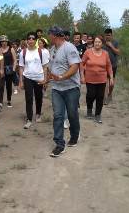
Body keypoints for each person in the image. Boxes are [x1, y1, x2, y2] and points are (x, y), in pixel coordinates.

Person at [47, 26, 82, 157]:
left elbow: (75, 66)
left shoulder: (69, 48)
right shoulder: (52, 50)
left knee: (72, 114)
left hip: (71, 88)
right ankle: (59, 144)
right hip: (56, 88)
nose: (49, 37)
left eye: (50, 34)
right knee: (58, 115)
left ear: (55, 35)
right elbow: (51, 68)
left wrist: (62, 77)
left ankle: (74, 135)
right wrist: (46, 80)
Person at [19, 32, 49, 129]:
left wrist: (45, 79)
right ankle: (29, 119)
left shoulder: (42, 52)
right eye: (29, 38)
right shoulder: (23, 52)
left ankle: (38, 114)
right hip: (27, 77)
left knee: (38, 97)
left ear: (36, 40)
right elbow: (21, 67)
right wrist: (20, 80)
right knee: (28, 98)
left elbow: (45, 66)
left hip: (39, 77)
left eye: (33, 38)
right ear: (27, 40)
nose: (31, 40)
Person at [80, 36, 114, 123]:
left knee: (100, 97)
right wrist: (82, 76)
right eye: (96, 42)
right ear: (93, 43)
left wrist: (111, 78)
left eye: (99, 42)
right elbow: (81, 64)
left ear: (102, 44)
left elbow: (109, 66)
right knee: (91, 95)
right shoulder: (88, 52)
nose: (97, 43)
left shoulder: (105, 53)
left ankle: (98, 115)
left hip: (102, 79)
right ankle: (89, 110)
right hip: (90, 79)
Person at [0, 35, 17, 109]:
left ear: (7, 42)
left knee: (9, 86)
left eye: (5, 41)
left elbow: (15, 60)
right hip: (1, 70)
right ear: (0, 42)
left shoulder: (11, 49)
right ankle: (0, 102)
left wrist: (14, 68)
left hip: (10, 70)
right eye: (2, 41)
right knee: (1, 86)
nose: (4, 43)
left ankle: (9, 100)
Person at [102, 28, 120, 104]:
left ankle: (110, 94)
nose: (107, 37)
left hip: (113, 65)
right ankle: (105, 98)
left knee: (111, 83)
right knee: (105, 81)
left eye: (109, 35)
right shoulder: (102, 42)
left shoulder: (115, 42)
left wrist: (111, 46)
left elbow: (118, 52)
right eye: (106, 35)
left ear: (111, 35)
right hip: (103, 65)